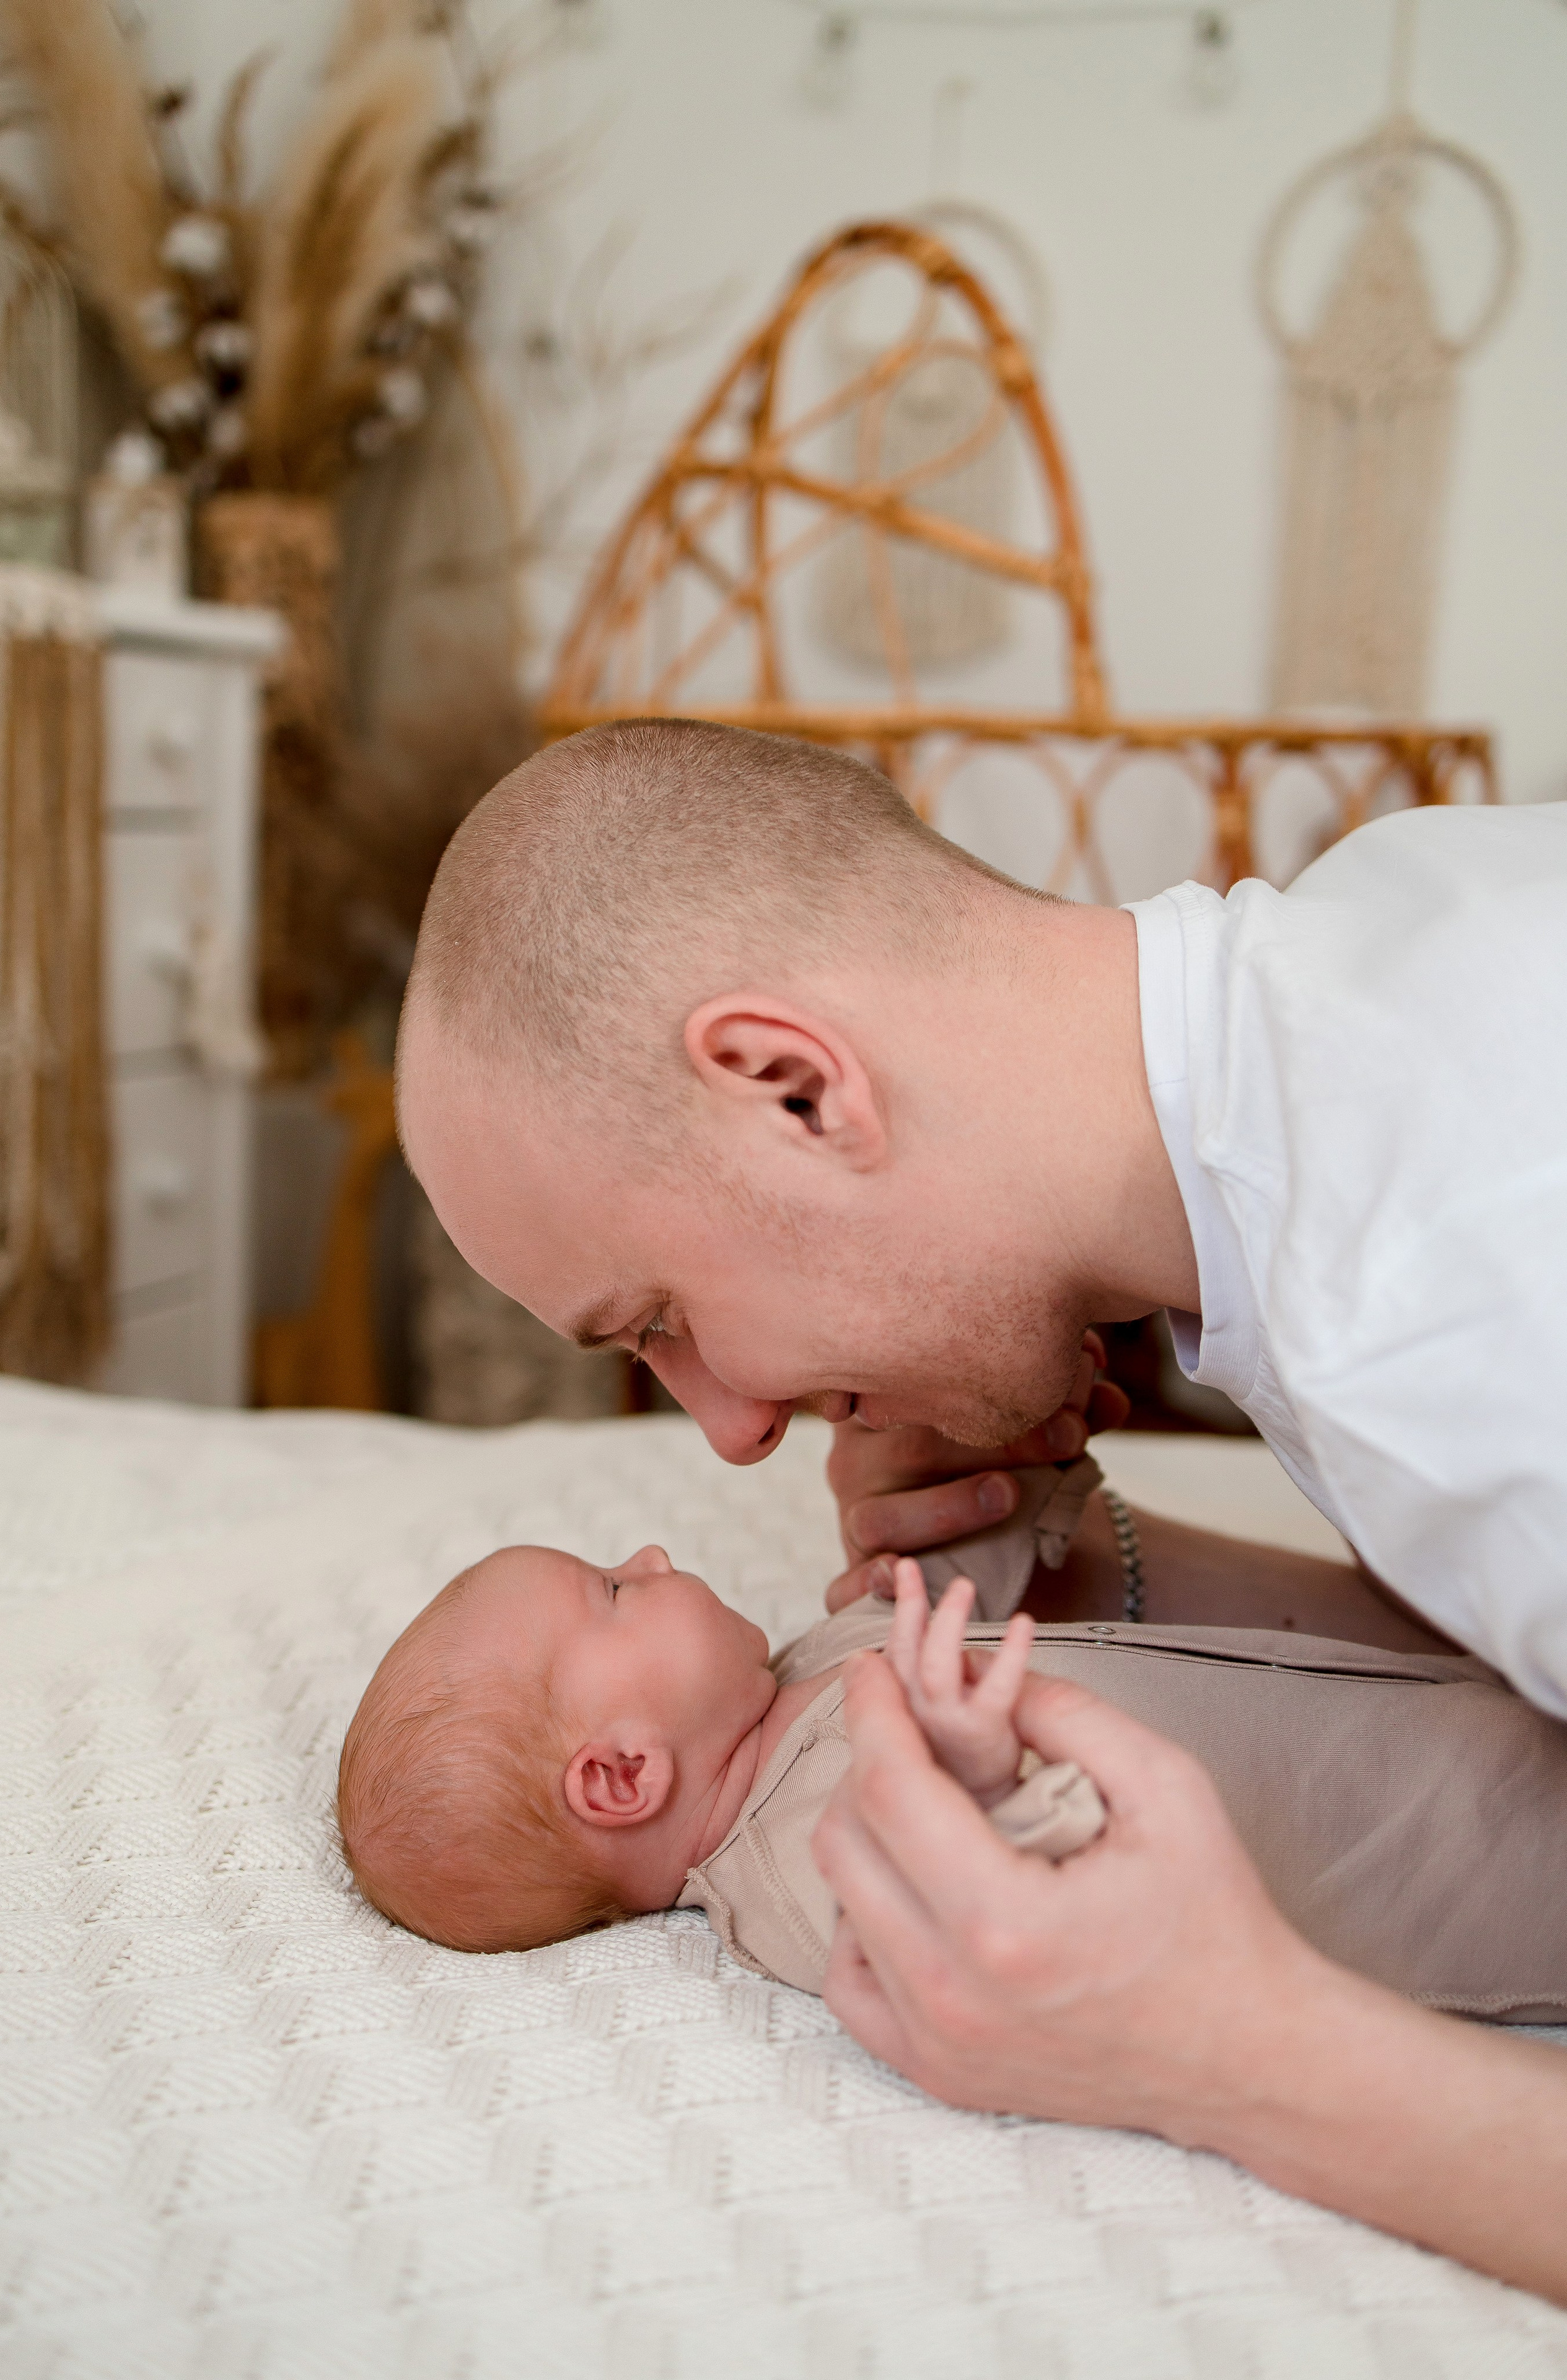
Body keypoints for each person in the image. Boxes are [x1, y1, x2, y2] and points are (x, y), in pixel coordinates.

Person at [395, 717, 1567, 2303]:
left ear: (791, 1088)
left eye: (660, 1314)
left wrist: (1236, 2050)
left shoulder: (1462, 1317)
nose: (731, 1431)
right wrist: (1088, 1554)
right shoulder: (1396, 939)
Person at [336, 1525, 1567, 2019]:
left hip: (1443, 1713)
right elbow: (1008, 1944)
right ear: (620, 1777)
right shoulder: (814, 1863)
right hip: (1468, 1867)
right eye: (612, 1588)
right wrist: (987, 1791)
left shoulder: (806, 1667)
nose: (651, 1551)